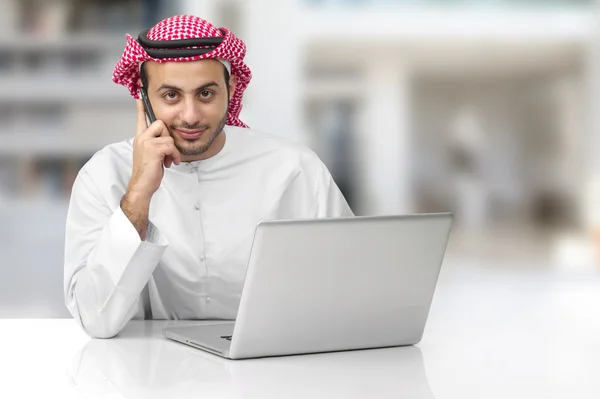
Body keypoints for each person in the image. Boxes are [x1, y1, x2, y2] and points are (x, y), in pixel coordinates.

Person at [63, 15, 353, 339]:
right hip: (149, 378)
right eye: (171, 95)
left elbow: (352, 289)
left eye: (205, 94)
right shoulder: (103, 175)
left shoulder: (295, 169)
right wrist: (137, 197)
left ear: (230, 89)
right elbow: (94, 320)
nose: (190, 116)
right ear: (143, 98)